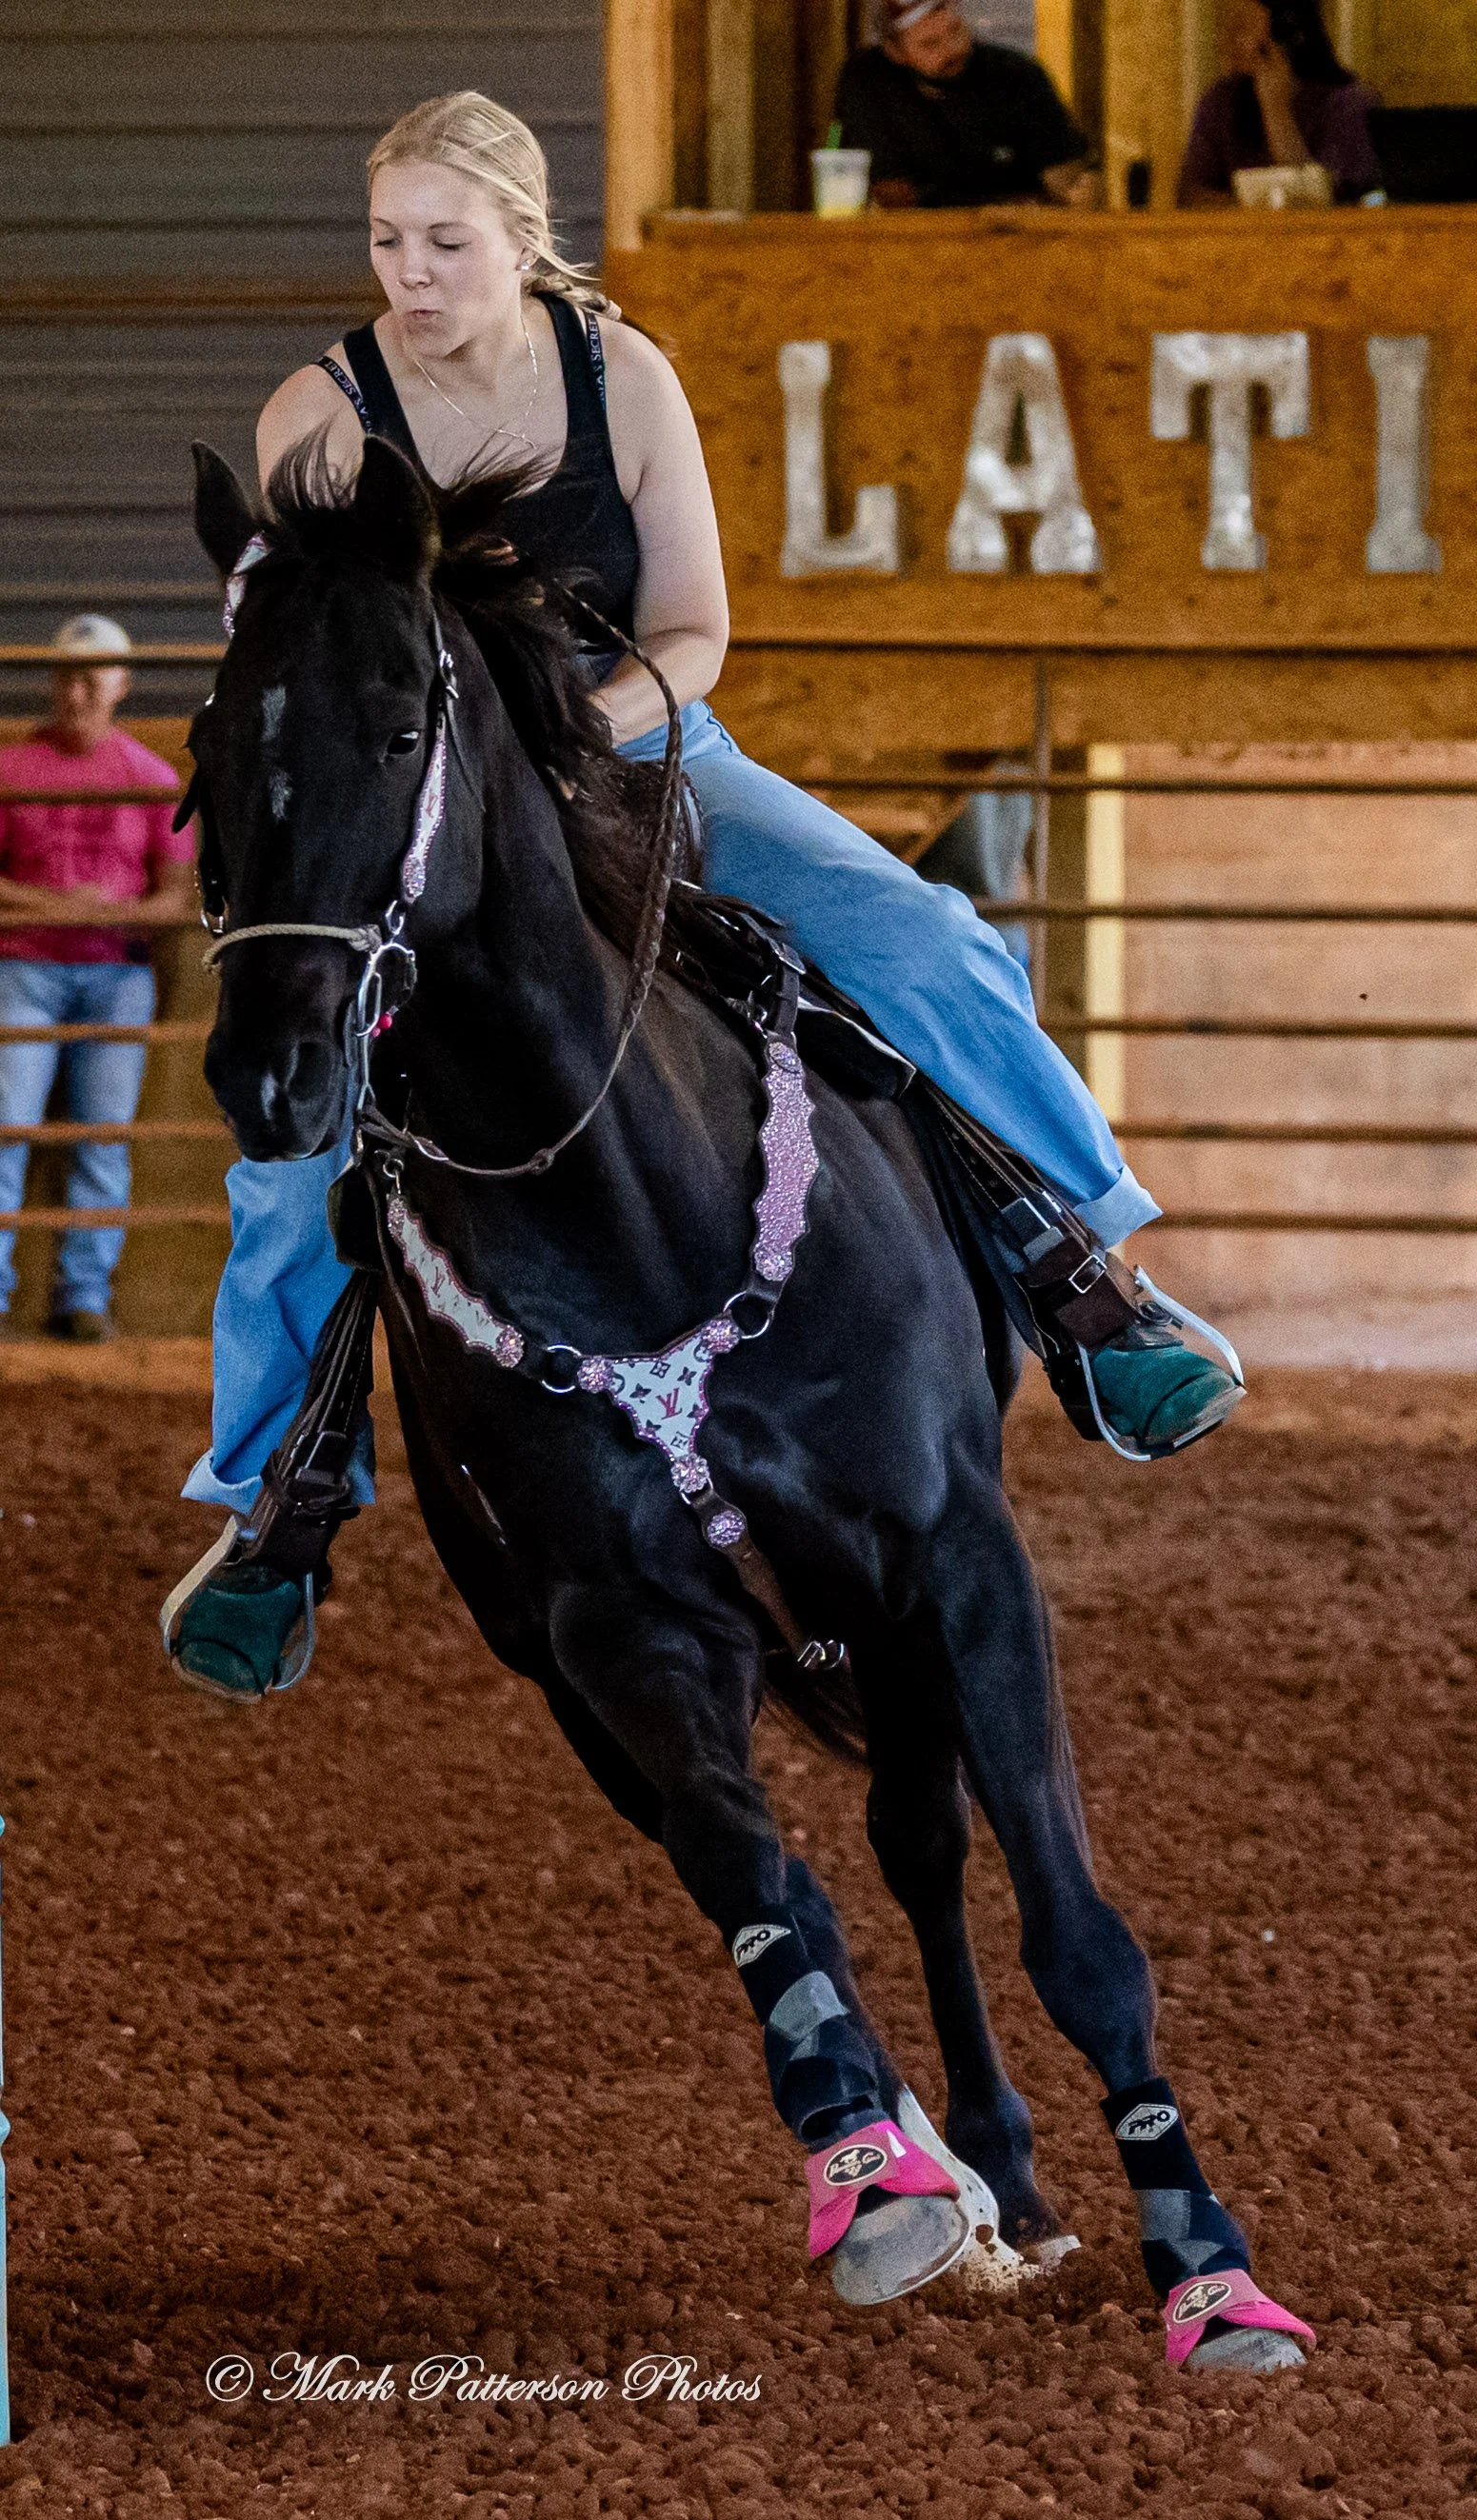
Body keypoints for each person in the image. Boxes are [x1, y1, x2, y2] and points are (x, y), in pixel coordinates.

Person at [170, 89, 1240, 1694]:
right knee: (292, 1129)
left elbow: (691, 633)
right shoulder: (317, 423)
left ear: (522, 240)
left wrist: (561, 744)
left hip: (648, 747)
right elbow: (319, 666)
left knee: (919, 933)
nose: (411, 271)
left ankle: (1091, 1279)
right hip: (425, 804)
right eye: (389, 239)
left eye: (446, 241)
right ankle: (275, 1497)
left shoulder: (626, 379)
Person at [0, 615, 194, 1340]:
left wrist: (124, 912)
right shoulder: (12, 771)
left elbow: (176, 897)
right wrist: (73, 905)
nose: (77, 691)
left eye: (93, 676)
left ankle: (83, 1297)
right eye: (67, 676)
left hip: (116, 974)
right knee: (7, 1128)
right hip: (25, 967)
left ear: (120, 684)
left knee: (102, 1136)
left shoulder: (153, 779)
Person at [833, 0, 1098, 209]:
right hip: (916, 241)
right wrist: (1004, 205)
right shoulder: (868, 80)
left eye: (956, 30)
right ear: (895, 52)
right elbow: (892, 194)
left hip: (1020, 241)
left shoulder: (1017, 75)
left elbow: (1063, 176)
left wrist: (1078, 192)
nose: (952, 49)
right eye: (930, 44)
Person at [1177, 0, 1380, 207]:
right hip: (1237, 235)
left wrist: (1276, 109)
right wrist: (1249, 207)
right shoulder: (1219, 102)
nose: (1228, 39)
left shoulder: (1346, 104)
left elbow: (1325, 201)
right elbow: (1190, 196)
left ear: (1285, 38)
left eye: (1242, 28)